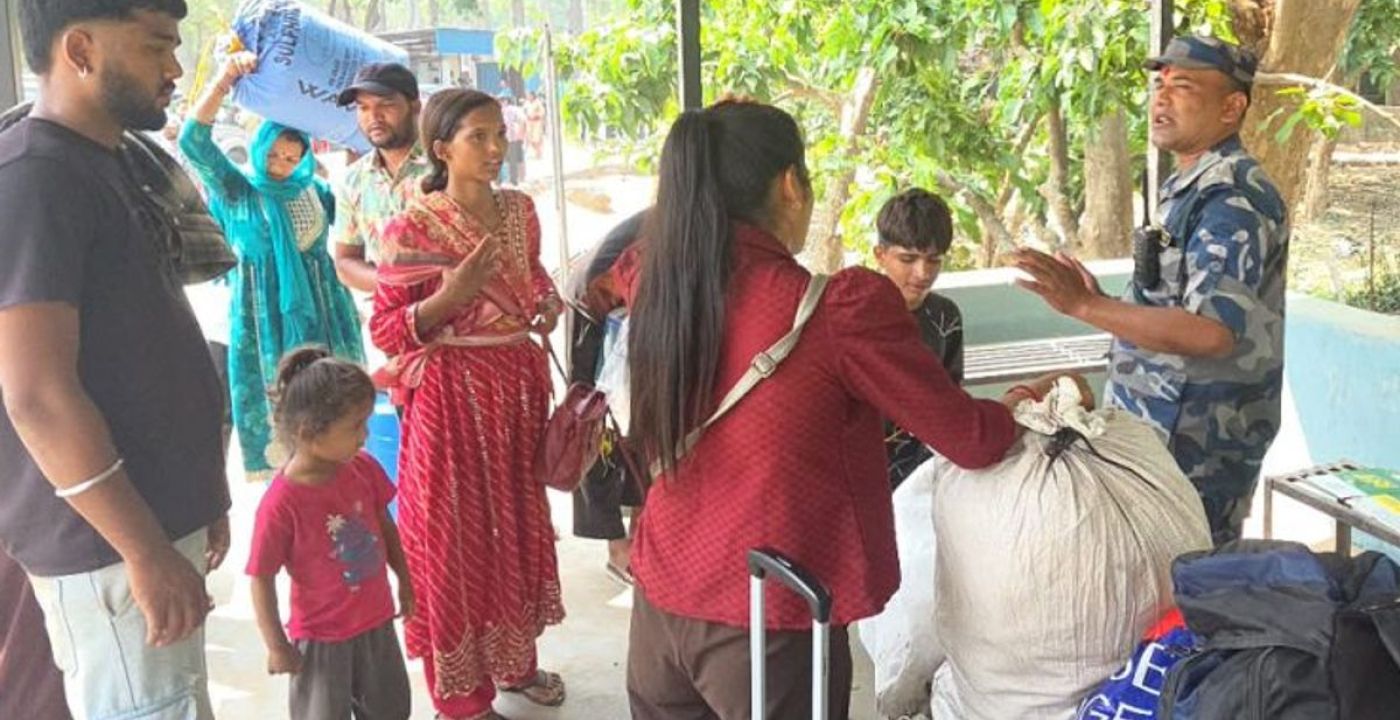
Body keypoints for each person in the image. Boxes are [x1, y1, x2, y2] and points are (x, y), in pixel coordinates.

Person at [618, 99, 1060, 719]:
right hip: (768, 613)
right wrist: (1015, 408)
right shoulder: (835, 311)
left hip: (660, 601)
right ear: (791, 184)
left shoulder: (653, 283)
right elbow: (969, 439)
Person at [0, 2, 232, 717]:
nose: (174, 68)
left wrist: (199, 501)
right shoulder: (35, 177)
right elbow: (37, 393)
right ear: (81, 50)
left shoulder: (107, 163)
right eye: (156, 46)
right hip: (108, 547)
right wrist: (144, 550)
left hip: (148, 524)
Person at [1014, 35, 1288, 546]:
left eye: (1183, 86)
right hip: (1160, 428)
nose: (1161, 98)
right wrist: (1112, 305)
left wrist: (1087, 305)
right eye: (1159, 85)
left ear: (1232, 107)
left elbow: (1211, 333)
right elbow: (1177, 301)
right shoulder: (1190, 185)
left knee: (1189, 577)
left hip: (1198, 441)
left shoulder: (1231, 197)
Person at [371, 89, 566, 720]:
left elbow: (532, 273)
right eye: (477, 137)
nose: (494, 148)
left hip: (515, 392)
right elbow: (387, 329)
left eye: (499, 134)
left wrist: (547, 303)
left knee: (513, 526)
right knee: (453, 539)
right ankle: (461, 698)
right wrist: (450, 298)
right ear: (442, 149)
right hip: (450, 399)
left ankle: (514, 662)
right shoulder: (412, 227)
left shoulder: (520, 211)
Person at [181, 50, 365, 480]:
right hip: (263, 324)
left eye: (291, 158)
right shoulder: (237, 190)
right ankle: (288, 504)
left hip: (325, 317)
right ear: (259, 147)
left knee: (334, 417)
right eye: (274, 155)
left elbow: (356, 225)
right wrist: (225, 78)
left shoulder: (317, 191)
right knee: (281, 429)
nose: (280, 165)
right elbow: (193, 140)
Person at [246, 347, 413, 720]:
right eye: (355, 426)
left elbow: (386, 526)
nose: (365, 435)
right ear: (309, 432)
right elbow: (261, 577)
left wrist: (404, 579)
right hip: (321, 639)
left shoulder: (363, 468)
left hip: (376, 621)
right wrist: (276, 645)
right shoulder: (281, 503)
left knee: (390, 709)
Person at [567, 210, 649, 585]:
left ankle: (640, 537)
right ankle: (618, 548)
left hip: (629, 312)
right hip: (594, 308)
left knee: (644, 425)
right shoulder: (675, 220)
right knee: (593, 422)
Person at [872, 188, 966, 488]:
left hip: (925, 474)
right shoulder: (855, 314)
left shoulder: (945, 317)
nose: (922, 272)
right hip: (860, 471)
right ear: (880, 255)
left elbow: (951, 401)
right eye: (908, 258)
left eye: (933, 260)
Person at [332, 62, 431, 296]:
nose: (374, 117)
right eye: (363, 108)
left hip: (457, 311)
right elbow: (345, 262)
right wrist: (392, 284)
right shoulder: (353, 180)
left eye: (386, 105)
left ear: (415, 106)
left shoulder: (447, 165)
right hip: (392, 312)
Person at [503, 98, 527, 185]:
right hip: (514, 138)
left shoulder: (509, 110)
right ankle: (518, 178)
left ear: (506, 101)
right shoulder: (514, 110)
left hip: (511, 138)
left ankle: (514, 179)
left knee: (512, 159)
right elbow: (523, 121)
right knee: (516, 159)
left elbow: (522, 121)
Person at [525, 92, 546, 160]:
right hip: (529, 123)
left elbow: (542, 112)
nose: (529, 97)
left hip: (537, 123)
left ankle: (538, 154)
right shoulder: (527, 103)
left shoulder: (538, 103)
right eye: (528, 96)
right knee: (530, 140)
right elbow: (525, 112)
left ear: (533, 96)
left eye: (530, 96)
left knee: (536, 139)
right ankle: (537, 153)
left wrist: (537, 116)